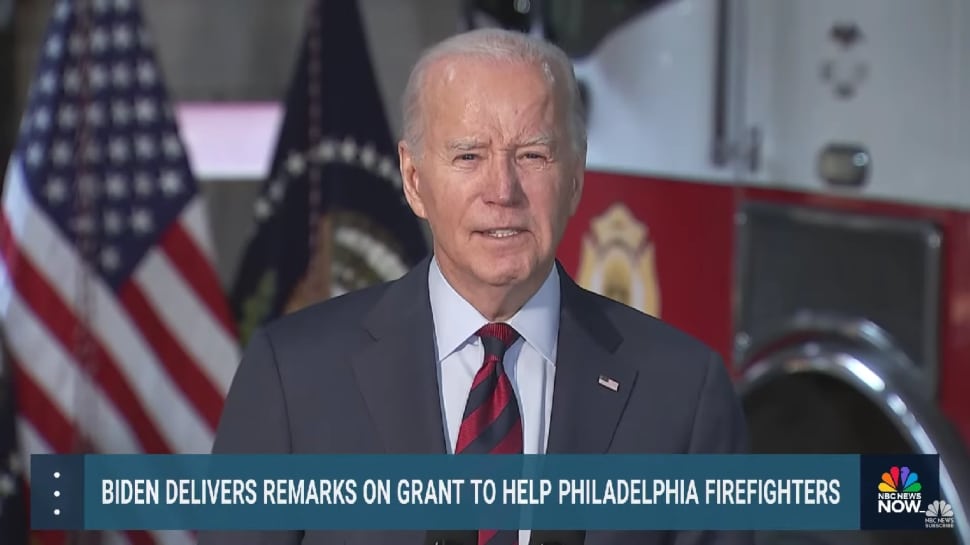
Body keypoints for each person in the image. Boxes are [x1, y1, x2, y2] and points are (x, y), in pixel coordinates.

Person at [200, 28, 752, 545]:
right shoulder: (292, 376)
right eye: (469, 156)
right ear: (414, 181)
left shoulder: (684, 393)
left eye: (532, 155)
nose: (502, 190)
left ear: (577, 176)